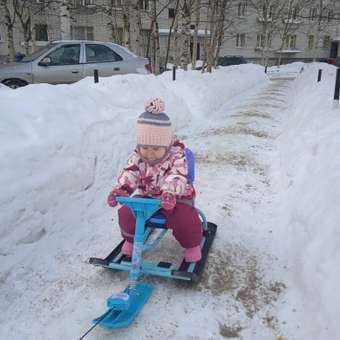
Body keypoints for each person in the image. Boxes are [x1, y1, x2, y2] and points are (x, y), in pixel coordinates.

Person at [107, 98, 202, 262]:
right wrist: (120, 189)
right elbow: (130, 173)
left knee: (185, 219)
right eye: (145, 148)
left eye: (156, 149)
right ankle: (131, 239)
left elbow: (177, 176)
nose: (150, 153)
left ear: (166, 145)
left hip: (175, 198)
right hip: (147, 197)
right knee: (126, 213)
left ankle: (192, 245)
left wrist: (169, 192)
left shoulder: (177, 156)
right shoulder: (138, 157)